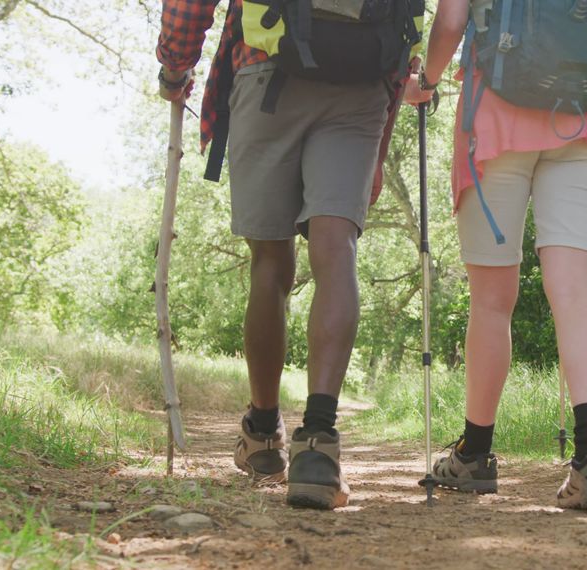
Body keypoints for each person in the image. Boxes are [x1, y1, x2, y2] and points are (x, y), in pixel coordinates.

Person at [157, 0, 415, 510]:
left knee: (270, 263)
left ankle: (262, 434)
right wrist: (383, 136)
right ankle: (319, 446)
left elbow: (189, 6)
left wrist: (175, 66)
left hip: (267, 69)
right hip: (362, 83)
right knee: (336, 250)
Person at [404, 0, 587, 510]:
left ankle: (475, 454)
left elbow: (453, 21)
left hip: (495, 117)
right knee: (574, 289)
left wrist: (427, 79)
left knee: (491, 298)